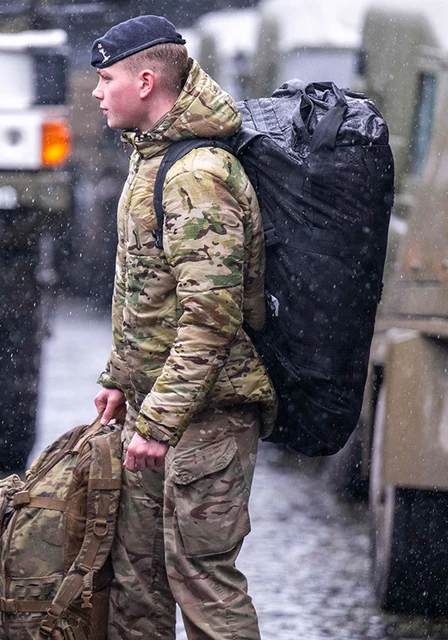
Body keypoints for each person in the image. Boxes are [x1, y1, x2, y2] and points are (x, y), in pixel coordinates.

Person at [89, 15, 277, 640]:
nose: (95, 92)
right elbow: (145, 289)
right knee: (137, 584)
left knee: (202, 583)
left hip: (211, 415)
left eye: (106, 78)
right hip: (154, 412)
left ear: (145, 81)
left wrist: (161, 419)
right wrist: (121, 377)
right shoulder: (151, 160)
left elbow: (210, 315)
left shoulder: (196, 174)